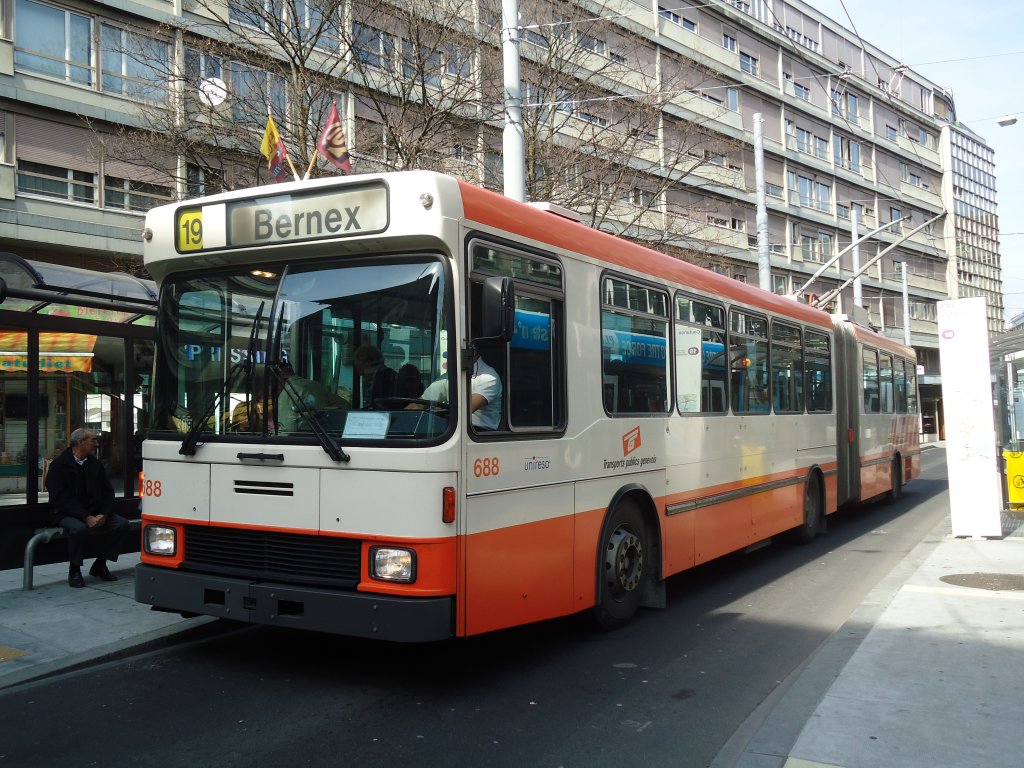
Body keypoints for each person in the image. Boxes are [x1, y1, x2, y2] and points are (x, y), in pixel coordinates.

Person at [44, 427, 129, 588]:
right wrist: (86, 517)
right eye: (93, 440)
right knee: (78, 529)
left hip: (95, 511)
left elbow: (108, 492)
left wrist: (104, 514)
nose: (96, 443)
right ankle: (74, 570)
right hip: (65, 513)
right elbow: (60, 498)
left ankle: (100, 564)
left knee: (121, 524)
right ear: (80, 442)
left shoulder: (94, 464)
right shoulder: (59, 465)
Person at [420, 350, 502, 430]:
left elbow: (465, 408)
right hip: (451, 427)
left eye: (453, 355)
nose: (450, 359)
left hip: (479, 432)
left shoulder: (489, 377)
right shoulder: (448, 377)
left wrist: (435, 411)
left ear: (470, 352)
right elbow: (421, 402)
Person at [275, 362, 346, 432]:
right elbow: (344, 405)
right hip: (323, 435)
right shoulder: (316, 385)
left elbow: (288, 430)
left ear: (279, 377)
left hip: (302, 438)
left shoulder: (287, 392)